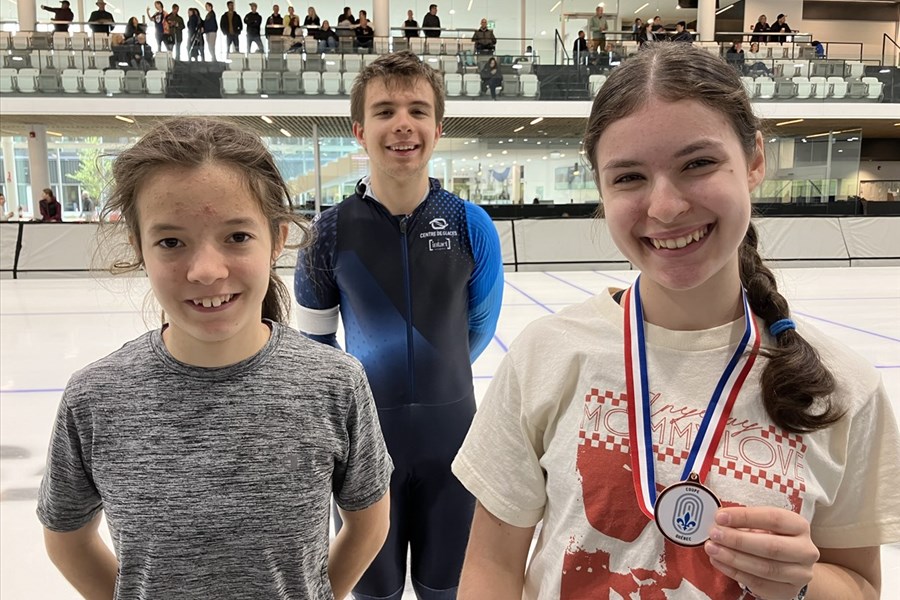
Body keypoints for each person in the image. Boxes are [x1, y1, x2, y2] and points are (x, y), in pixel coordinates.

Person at [453, 42, 900, 599]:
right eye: (629, 177)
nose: (664, 207)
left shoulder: (844, 387)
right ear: (600, 188)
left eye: (698, 164)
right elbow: (491, 568)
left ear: (755, 160)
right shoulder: (546, 354)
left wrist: (804, 582)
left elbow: (860, 586)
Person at [37, 117, 394, 599]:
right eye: (170, 242)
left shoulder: (335, 383)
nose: (206, 271)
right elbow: (67, 539)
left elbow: (369, 524)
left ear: (278, 239)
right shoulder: (95, 397)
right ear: (139, 248)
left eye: (237, 236)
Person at [294, 50, 504, 600]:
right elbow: (316, 351)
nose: (403, 123)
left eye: (417, 109)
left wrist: (438, 379)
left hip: (455, 444)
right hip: (366, 452)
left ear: (438, 127)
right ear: (361, 132)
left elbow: (477, 330)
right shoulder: (328, 235)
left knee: (445, 589)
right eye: (385, 111)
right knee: (374, 593)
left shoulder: (470, 224)